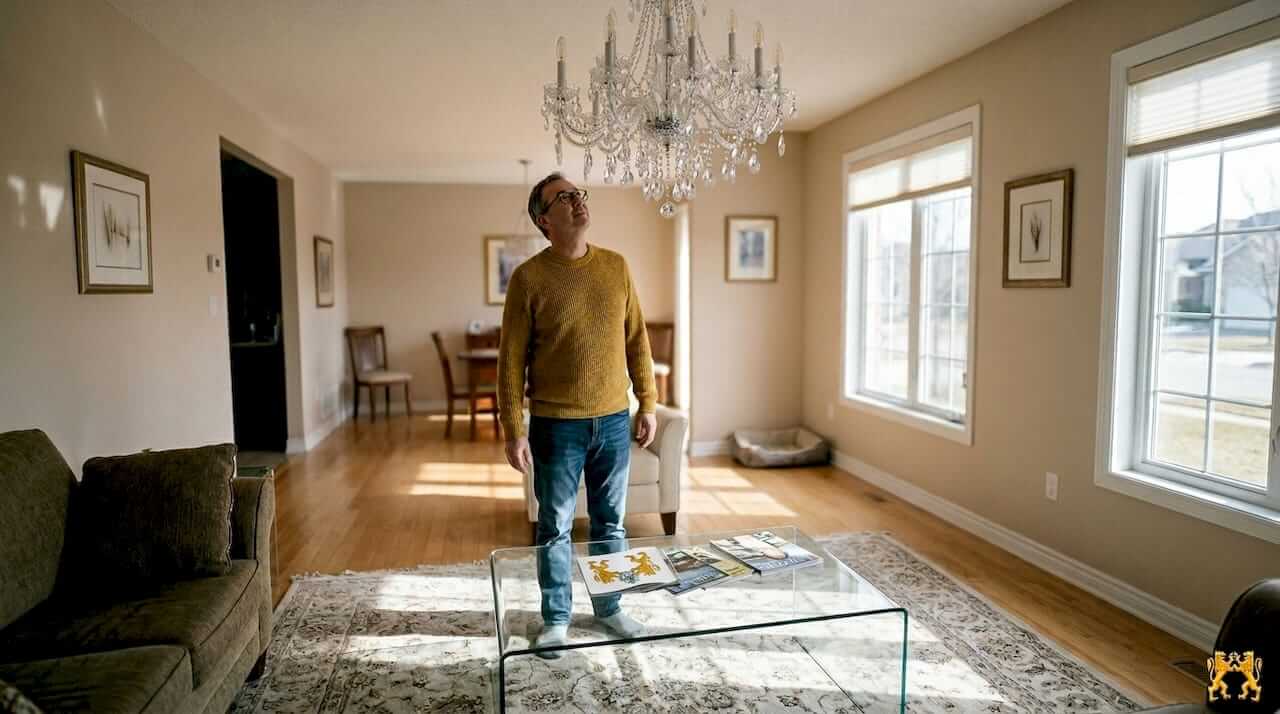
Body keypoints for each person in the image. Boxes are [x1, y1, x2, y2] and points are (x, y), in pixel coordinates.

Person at [497, 172, 658, 659]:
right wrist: (513, 429)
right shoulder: (528, 278)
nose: (577, 201)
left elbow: (637, 339)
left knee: (611, 525)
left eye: (578, 193)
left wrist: (647, 401)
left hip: (613, 419)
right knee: (556, 526)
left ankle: (609, 609)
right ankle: (556, 618)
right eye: (563, 197)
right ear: (545, 220)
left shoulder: (617, 266)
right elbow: (511, 359)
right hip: (555, 424)